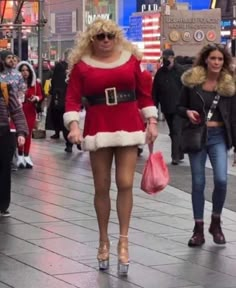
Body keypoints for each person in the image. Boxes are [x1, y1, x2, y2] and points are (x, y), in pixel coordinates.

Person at [63, 18, 158, 275]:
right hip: (98, 125)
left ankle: (123, 241)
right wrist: (73, 126)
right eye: (100, 36)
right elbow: (72, 99)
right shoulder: (82, 66)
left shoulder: (130, 60)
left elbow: (145, 94)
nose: (106, 40)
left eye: (110, 36)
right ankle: (103, 239)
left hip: (127, 122)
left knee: (125, 182)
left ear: (117, 37)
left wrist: (151, 120)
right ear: (91, 39)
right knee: (101, 186)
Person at [178, 43, 236, 247]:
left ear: (224, 61)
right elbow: (179, 106)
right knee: (198, 183)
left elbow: (234, 116)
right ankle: (198, 229)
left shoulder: (229, 86)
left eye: (220, 59)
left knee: (221, 180)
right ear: (206, 59)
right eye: (213, 58)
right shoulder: (193, 82)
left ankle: (216, 222)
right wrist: (187, 112)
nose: (217, 62)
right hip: (198, 136)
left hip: (219, 135)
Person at [0, 59, 28, 217]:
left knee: (4, 170)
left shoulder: (5, 88)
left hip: (3, 133)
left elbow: (16, 111)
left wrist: (21, 132)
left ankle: (2, 205)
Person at [152, 48, 185, 165]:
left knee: (176, 130)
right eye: (164, 58)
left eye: (167, 58)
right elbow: (155, 91)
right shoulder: (160, 73)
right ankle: (180, 151)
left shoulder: (180, 71)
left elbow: (187, 89)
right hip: (166, 107)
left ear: (172, 58)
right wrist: (154, 108)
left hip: (179, 108)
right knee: (172, 132)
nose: (165, 60)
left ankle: (175, 156)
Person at [48, 49, 82, 152]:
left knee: (75, 120)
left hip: (74, 97)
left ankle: (76, 142)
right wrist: (54, 94)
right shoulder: (60, 66)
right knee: (65, 119)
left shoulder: (78, 66)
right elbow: (55, 81)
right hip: (62, 96)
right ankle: (70, 143)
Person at [16, 61, 44, 168]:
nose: (25, 72)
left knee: (28, 134)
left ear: (31, 71)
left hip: (30, 111)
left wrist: (36, 98)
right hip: (18, 111)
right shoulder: (15, 83)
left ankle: (26, 155)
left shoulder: (35, 83)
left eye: (27, 70)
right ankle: (19, 155)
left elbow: (40, 95)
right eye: (22, 70)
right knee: (19, 133)